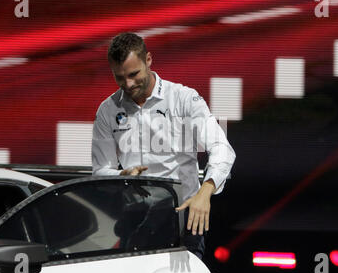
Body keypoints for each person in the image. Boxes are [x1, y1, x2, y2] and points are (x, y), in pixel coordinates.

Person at [92, 32, 235, 259]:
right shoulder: (107, 110)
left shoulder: (184, 98)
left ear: (148, 60)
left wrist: (206, 191)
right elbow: (99, 171)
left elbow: (222, 147)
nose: (127, 84)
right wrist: (121, 174)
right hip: (134, 218)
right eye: (119, 77)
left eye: (133, 74)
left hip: (183, 217)